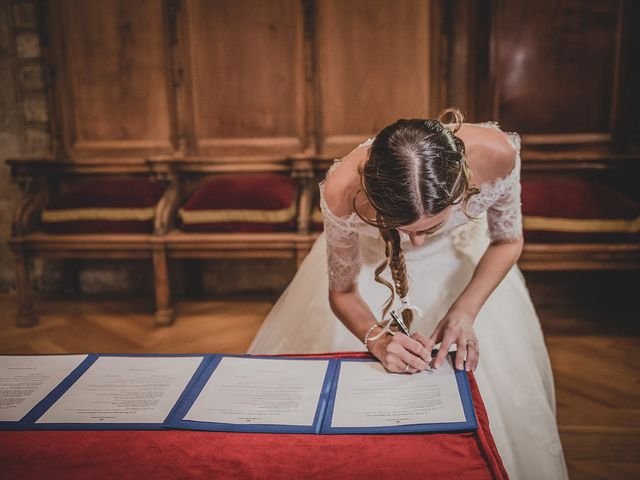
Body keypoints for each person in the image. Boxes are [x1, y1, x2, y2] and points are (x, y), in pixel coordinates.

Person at [246, 107, 569, 479]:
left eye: (430, 226)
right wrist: (378, 339)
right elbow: (343, 292)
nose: (414, 241)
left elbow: (508, 241)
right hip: (369, 272)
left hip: (465, 271)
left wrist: (465, 310)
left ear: (460, 188)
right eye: (403, 228)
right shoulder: (342, 188)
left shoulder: (495, 154)